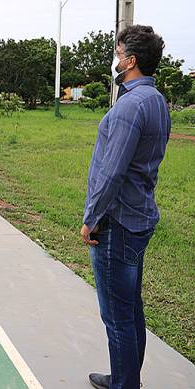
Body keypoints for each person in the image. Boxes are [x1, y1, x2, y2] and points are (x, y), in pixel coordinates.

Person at [80, 25, 170, 389]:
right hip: (138, 217)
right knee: (131, 308)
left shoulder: (130, 107)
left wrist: (91, 219)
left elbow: (111, 172)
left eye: (118, 55)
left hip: (117, 223)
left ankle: (124, 385)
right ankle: (125, 377)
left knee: (117, 316)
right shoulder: (156, 101)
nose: (116, 61)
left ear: (130, 61)